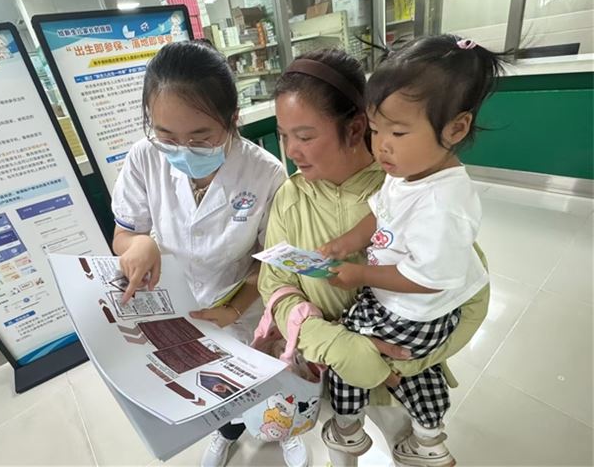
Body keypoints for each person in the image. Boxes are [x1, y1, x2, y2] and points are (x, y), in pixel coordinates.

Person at [258, 47, 491, 467]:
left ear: (355, 127)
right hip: (330, 363)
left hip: (400, 375)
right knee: (341, 446)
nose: (291, 150)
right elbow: (275, 283)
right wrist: (333, 344)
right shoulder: (291, 197)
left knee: (408, 442)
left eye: (305, 137)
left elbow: (466, 291)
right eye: (283, 135)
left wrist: (416, 360)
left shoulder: (416, 184)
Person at [318, 35, 504, 466]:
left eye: (398, 132)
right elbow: (380, 213)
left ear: (456, 128)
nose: (381, 144)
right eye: (376, 129)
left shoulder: (443, 203)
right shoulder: (408, 170)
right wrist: (348, 242)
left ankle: (347, 428)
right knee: (408, 372)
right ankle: (428, 436)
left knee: (348, 348)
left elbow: (427, 279)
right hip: (401, 305)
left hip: (416, 313)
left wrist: (361, 274)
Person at [109, 41, 295, 467]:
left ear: (232, 119)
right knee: (211, 388)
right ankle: (225, 433)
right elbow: (124, 233)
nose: (182, 149)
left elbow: (270, 262)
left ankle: (284, 430)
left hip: (242, 303)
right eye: (167, 137)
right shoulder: (144, 159)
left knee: (262, 385)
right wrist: (138, 243)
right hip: (178, 304)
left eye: (200, 137)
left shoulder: (265, 173)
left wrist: (235, 308)